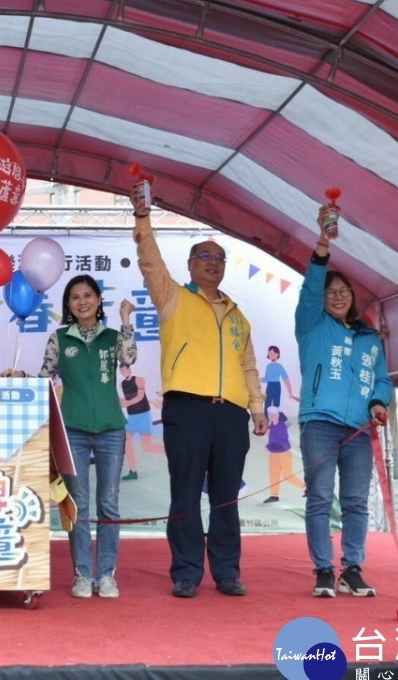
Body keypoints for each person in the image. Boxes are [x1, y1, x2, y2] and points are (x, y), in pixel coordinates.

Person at [130, 183, 267, 599]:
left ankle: (227, 571)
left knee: (226, 496)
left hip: (231, 415)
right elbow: (150, 263)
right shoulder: (173, 298)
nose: (212, 263)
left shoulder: (238, 315)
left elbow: (248, 365)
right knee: (186, 492)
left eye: (218, 258)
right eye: (204, 257)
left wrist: (257, 408)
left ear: (224, 268)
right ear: (190, 265)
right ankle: (186, 571)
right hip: (186, 409)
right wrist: (142, 217)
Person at [3, 277, 137, 599]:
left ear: (98, 299)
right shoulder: (60, 339)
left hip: (111, 430)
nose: (82, 302)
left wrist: (126, 320)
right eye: (75, 298)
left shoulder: (112, 337)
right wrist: (20, 376)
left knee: (108, 504)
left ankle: (106, 575)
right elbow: (45, 379)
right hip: (73, 430)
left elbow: (129, 359)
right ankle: (82, 575)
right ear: (68, 306)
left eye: (87, 295)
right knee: (75, 505)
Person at [296, 209, 392, 598]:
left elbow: (382, 379)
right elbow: (311, 285)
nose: (337, 296)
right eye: (330, 292)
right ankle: (323, 569)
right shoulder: (312, 324)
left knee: (355, 501)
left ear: (353, 298)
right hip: (319, 422)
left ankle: (352, 567)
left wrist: (378, 403)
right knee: (319, 497)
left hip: (358, 428)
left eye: (344, 291)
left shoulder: (370, 338)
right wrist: (323, 243)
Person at [119, 363, 162, 482]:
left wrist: (126, 403)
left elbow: (139, 396)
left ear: (129, 369)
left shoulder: (139, 380)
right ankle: (133, 471)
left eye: (125, 369)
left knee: (147, 447)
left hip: (143, 415)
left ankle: (172, 452)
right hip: (132, 417)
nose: (123, 372)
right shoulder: (122, 384)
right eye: (121, 370)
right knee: (127, 442)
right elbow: (127, 399)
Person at [263, 406, 304, 504]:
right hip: (274, 454)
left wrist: (281, 412)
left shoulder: (283, 424)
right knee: (274, 475)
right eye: (269, 414)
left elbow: (287, 424)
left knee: (288, 475)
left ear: (278, 415)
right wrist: (268, 446)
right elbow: (271, 439)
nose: (271, 416)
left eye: (273, 414)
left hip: (285, 453)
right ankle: (274, 495)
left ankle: (306, 487)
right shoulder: (270, 427)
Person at [262, 345, 298, 411]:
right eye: (270, 353)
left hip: (276, 386)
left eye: (273, 353)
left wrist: (290, 393)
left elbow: (286, 379)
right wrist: (255, 379)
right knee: (267, 403)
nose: (271, 355)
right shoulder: (268, 366)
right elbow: (266, 379)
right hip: (269, 386)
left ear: (277, 354)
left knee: (276, 405)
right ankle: (266, 419)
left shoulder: (279, 366)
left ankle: (276, 420)